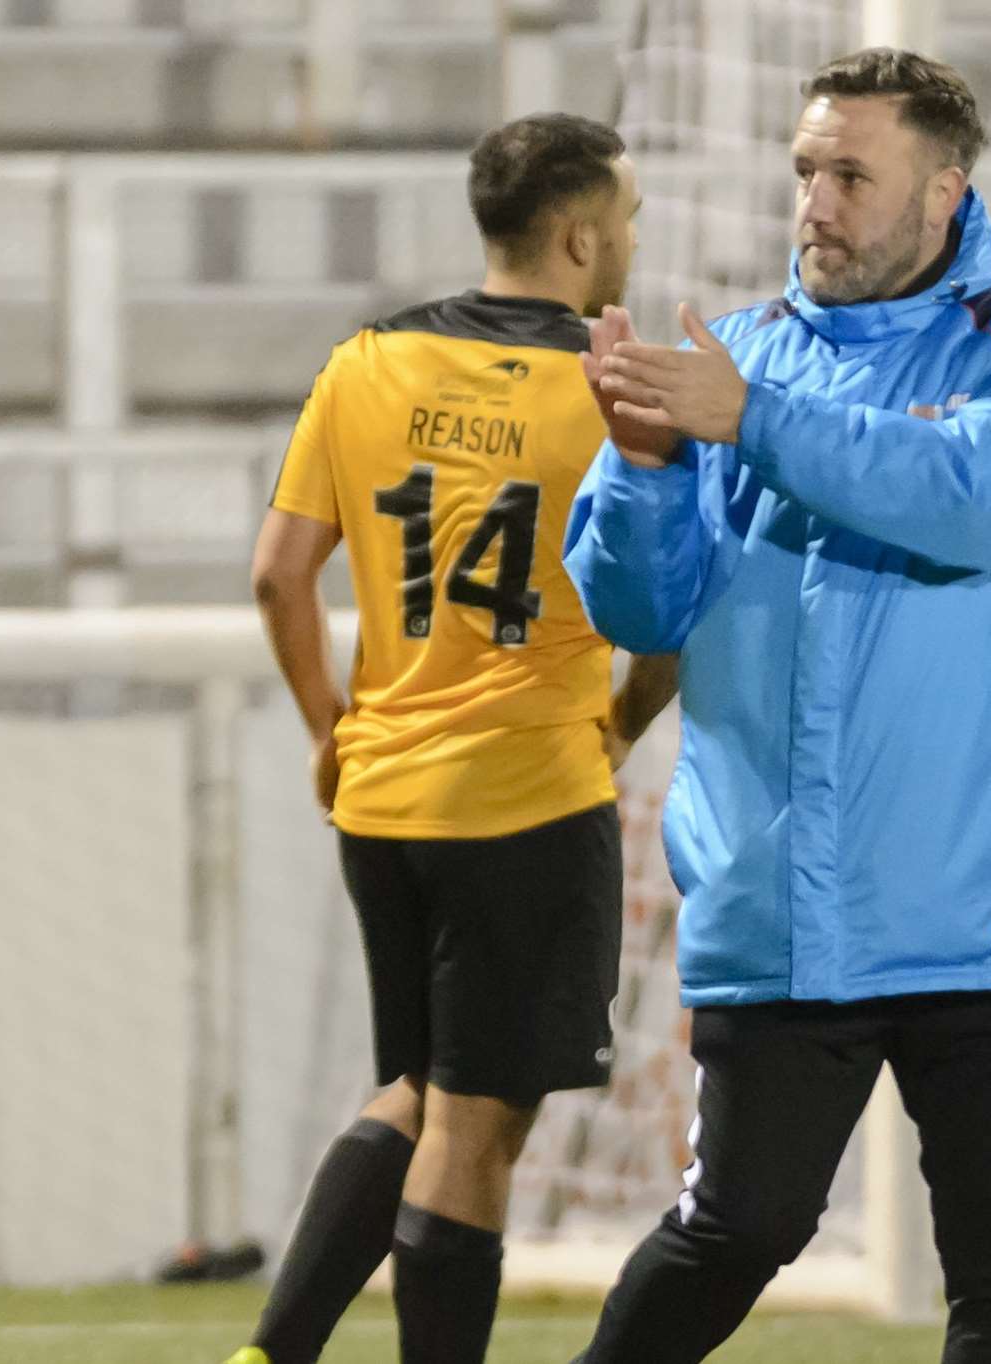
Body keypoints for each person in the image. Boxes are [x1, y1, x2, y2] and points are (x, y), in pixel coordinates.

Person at [560, 47, 991, 1364]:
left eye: (851, 175)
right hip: (787, 907)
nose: (814, 202)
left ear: (943, 193)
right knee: (736, 1228)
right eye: (807, 170)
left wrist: (751, 422)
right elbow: (642, 613)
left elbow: (979, 495)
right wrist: (644, 468)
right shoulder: (740, 357)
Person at [224, 113, 676, 1364]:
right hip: (526, 794)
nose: (633, 237)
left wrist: (331, 727)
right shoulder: (611, 389)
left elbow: (277, 574)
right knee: (476, 1122)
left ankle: (270, 1351)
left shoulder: (366, 361)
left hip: (382, 797)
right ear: (581, 234)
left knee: (422, 1087)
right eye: (629, 216)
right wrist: (623, 724)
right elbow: (673, 607)